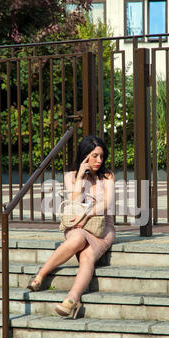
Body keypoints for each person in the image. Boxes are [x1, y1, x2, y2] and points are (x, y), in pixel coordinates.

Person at [27, 135, 115, 319]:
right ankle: (43, 277)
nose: (99, 160)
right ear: (84, 156)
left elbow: (107, 203)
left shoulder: (107, 176)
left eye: (101, 156)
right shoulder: (70, 176)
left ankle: (71, 298)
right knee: (78, 238)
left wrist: (88, 214)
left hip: (102, 229)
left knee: (87, 255)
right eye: (94, 156)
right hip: (76, 225)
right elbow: (74, 203)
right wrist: (80, 177)